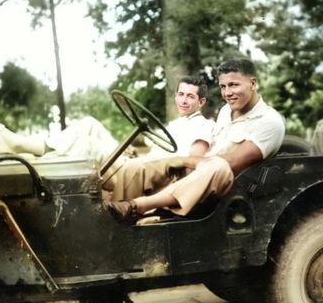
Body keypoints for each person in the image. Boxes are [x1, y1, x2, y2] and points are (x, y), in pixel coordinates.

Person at [103, 58, 285, 221]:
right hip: (197, 178)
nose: (227, 93)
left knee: (218, 166)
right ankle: (117, 219)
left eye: (234, 85)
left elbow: (230, 162)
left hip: (225, 191)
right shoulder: (226, 111)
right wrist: (177, 163)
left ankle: (137, 206)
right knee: (138, 166)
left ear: (253, 83)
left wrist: (182, 160)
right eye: (223, 86)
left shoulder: (269, 121)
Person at [0, 76, 213, 164]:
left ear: (201, 102)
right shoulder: (177, 124)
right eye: (180, 94)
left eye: (190, 96)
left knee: (88, 145)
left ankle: (18, 147)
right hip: (139, 162)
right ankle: (19, 149)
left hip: (150, 171)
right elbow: (154, 144)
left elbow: (194, 162)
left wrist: (158, 161)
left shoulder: (204, 126)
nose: (183, 100)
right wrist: (134, 151)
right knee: (89, 123)